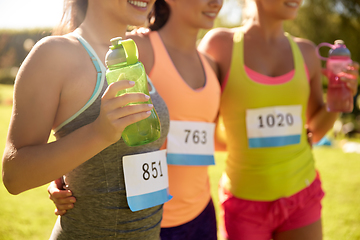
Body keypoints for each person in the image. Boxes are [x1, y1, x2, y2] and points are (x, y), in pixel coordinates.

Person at [48, 0, 223, 239]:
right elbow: (81, 114)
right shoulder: (133, 48)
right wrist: (63, 177)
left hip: (202, 212)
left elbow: (214, 136)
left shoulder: (211, 63)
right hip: (152, 221)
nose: (217, 2)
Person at [2, 0, 172, 239]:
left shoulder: (138, 51)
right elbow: (14, 176)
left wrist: (66, 171)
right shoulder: (54, 54)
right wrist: (98, 134)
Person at [197, 0, 359, 239]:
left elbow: (315, 130)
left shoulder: (306, 52)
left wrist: (339, 101)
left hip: (302, 196)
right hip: (244, 202)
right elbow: (198, 124)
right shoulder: (220, 45)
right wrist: (242, 145)